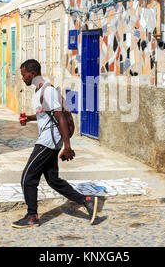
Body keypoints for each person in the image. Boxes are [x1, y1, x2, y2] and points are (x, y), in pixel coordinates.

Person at [11, 59, 98, 228]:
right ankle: (86, 200)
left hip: (48, 141)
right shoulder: (39, 92)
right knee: (53, 180)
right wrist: (29, 118)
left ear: (33, 73)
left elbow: (61, 118)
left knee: (28, 178)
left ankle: (31, 216)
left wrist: (67, 146)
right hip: (49, 139)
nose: (23, 78)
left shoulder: (48, 91)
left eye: (24, 75)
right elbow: (46, 115)